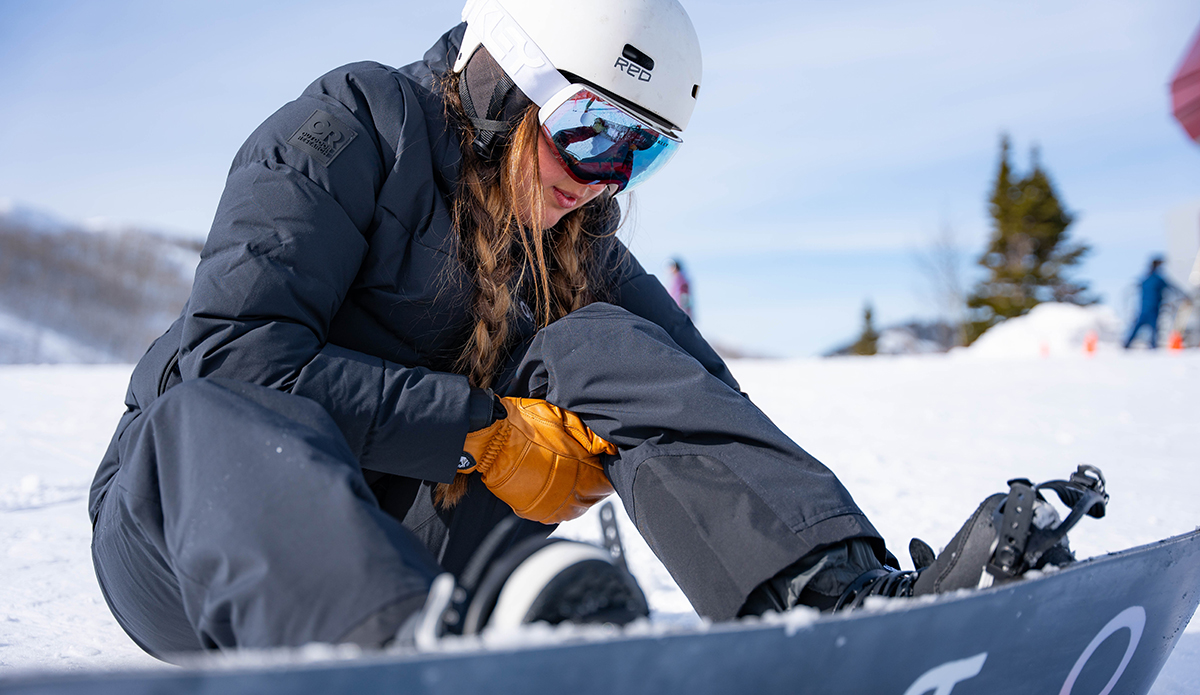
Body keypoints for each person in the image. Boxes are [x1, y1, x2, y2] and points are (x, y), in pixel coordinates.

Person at [88, 0, 1021, 660]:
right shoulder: (353, 126)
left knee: (604, 348)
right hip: (189, 535)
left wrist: (786, 532)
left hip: (411, 533)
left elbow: (700, 401)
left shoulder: (578, 238)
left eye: (641, 152)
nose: (604, 177)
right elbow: (233, 359)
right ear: (508, 82)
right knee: (219, 404)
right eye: (592, 131)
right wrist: (479, 428)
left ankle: (823, 598)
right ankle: (384, 653)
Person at [1124, 257, 1182, 349]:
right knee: (1153, 329)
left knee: (1137, 328)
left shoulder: (1145, 279)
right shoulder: (1157, 279)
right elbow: (1171, 287)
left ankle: (1127, 344)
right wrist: (1184, 295)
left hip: (1144, 309)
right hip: (1152, 309)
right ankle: (1153, 346)